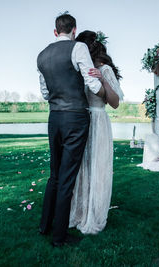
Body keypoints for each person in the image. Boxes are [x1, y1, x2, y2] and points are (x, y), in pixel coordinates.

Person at [37, 13, 115, 247]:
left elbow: (45, 93)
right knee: (67, 178)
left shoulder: (41, 55)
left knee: (54, 175)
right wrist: (105, 95)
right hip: (75, 118)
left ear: (54, 31)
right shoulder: (78, 47)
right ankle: (59, 237)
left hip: (54, 118)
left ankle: (45, 226)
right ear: (74, 30)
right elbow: (91, 83)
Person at [69, 30, 124, 234]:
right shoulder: (81, 69)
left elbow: (115, 102)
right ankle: (80, 212)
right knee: (82, 168)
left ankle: (95, 213)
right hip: (80, 121)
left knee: (97, 167)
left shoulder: (104, 69)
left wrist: (103, 79)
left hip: (99, 120)